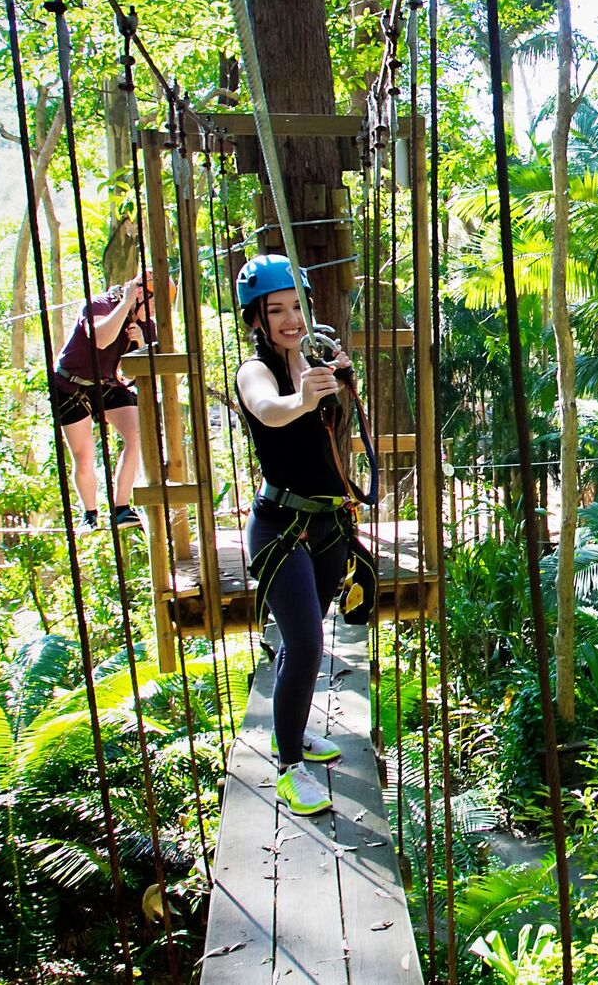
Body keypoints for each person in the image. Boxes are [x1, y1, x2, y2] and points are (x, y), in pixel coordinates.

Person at [234, 254, 370, 817]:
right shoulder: (256, 371)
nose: (290, 319)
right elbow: (268, 411)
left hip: (327, 521)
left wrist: (341, 381)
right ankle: (288, 766)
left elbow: (339, 428)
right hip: (280, 527)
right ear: (257, 320)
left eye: (296, 306)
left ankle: (291, 732)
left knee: (304, 640)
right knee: (309, 644)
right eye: (277, 310)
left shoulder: (313, 359)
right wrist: (307, 397)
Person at [49, 272, 163, 530]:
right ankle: (89, 513)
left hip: (106, 383)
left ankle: (121, 507)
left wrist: (141, 342)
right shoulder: (99, 304)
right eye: (154, 302)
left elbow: (137, 374)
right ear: (139, 295)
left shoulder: (148, 325)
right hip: (70, 383)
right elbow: (101, 340)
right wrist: (124, 306)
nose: (156, 309)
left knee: (139, 433)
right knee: (83, 453)